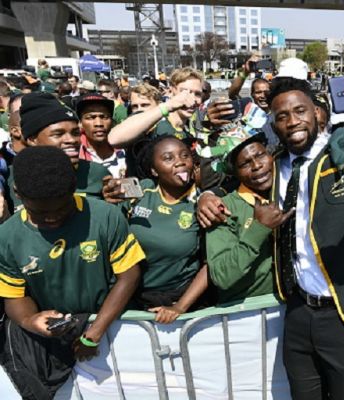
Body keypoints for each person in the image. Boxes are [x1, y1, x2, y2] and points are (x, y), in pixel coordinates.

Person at [199, 58, 344, 399]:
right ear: (273, 126)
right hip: (297, 313)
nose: (292, 121)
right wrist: (205, 195)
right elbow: (224, 173)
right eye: (281, 116)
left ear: (318, 114)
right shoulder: (275, 165)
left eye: (300, 111)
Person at [0, 146, 144, 399]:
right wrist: (29, 321)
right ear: (18, 194)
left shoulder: (106, 216)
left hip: (109, 332)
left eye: (62, 209)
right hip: (51, 341)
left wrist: (96, 331)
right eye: (41, 213)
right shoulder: (6, 238)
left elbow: (129, 275)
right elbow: (13, 296)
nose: (53, 219)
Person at [125, 136, 209, 323]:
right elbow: (109, 190)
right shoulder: (142, 189)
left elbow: (211, 264)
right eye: (168, 158)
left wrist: (179, 307)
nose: (180, 162)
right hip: (132, 297)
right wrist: (109, 189)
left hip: (179, 301)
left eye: (184, 155)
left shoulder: (203, 202)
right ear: (154, 170)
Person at [206, 132, 289, 304]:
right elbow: (222, 276)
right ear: (234, 173)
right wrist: (258, 228)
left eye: (260, 155)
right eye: (245, 163)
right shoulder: (224, 208)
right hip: (249, 312)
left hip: (296, 306)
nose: (257, 165)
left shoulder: (289, 189)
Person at [4, 93, 112, 214]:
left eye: (75, 133)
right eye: (58, 134)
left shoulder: (97, 173)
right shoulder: (10, 177)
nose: (71, 140)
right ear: (32, 139)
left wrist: (114, 203)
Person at [108, 68, 202, 149]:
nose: (192, 99)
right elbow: (114, 139)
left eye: (197, 94)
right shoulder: (154, 121)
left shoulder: (187, 131)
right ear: (171, 90)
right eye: (185, 92)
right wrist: (167, 106)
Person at [77, 93, 127, 178]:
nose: (99, 124)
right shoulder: (75, 154)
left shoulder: (124, 152)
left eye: (104, 117)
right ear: (80, 123)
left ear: (112, 122)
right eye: (91, 117)